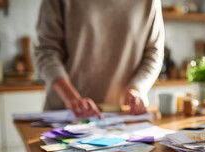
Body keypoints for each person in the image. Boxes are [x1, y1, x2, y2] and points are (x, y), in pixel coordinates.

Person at [34, 0, 165, 118]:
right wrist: (72, 98)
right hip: (65, 114)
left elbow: (153, 53)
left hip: (120, 117)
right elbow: (46, 51)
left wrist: (137, 88)